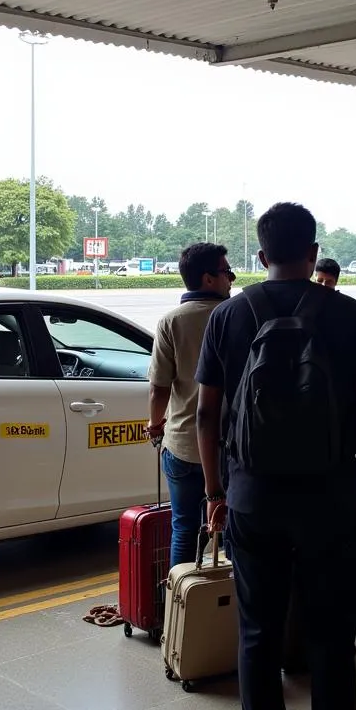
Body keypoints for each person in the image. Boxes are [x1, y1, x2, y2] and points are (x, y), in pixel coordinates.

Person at [196, 202, 356, 710]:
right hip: (330, 498)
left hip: (252, 496)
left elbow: (205, 413)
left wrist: (215, 493)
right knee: (333, 638)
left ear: (261, 256)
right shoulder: (346, 312)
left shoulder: (230, 313)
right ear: (313, 254)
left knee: (257, 636)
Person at [147, 242, 234, 568]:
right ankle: (224, 605)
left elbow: (159, 389)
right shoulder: (235, 316)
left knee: (183, 527)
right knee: (227, 527)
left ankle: (179, 606)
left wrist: (156, 424)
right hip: (227, 446)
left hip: (182, 444)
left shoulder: (172, 322)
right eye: (227, 272)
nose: (231, 280)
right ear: (208, 279)